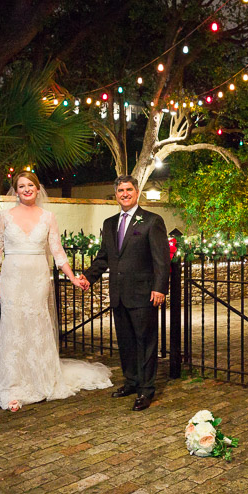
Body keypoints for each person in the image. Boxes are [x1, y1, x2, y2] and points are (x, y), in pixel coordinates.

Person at [0, 171, 112, 412]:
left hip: (37, 277)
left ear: (37, 188)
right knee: (13, 329)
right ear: (16, 190)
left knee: (37, 326)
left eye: (30, 185)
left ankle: (42, 380)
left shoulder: (48, 217)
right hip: (12, 277)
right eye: (21, 186)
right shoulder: (4, 216)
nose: (26, 189)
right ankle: (13, 386)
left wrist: (73, 278)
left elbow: (57, 252)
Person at [78, 175, 169, 411]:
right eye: (120, 190)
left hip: (143, 294)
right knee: (126, 343)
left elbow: (162, 260)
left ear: (137, 192)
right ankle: (131, 381)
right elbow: (104, 258)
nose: (125, 193)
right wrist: (88, 277)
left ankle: (146, 390)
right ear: (116, 194)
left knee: (145, 342)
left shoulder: (152, 221)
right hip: (119, 294)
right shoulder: (109, 224)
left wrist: (159, 288)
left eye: (129, 189)